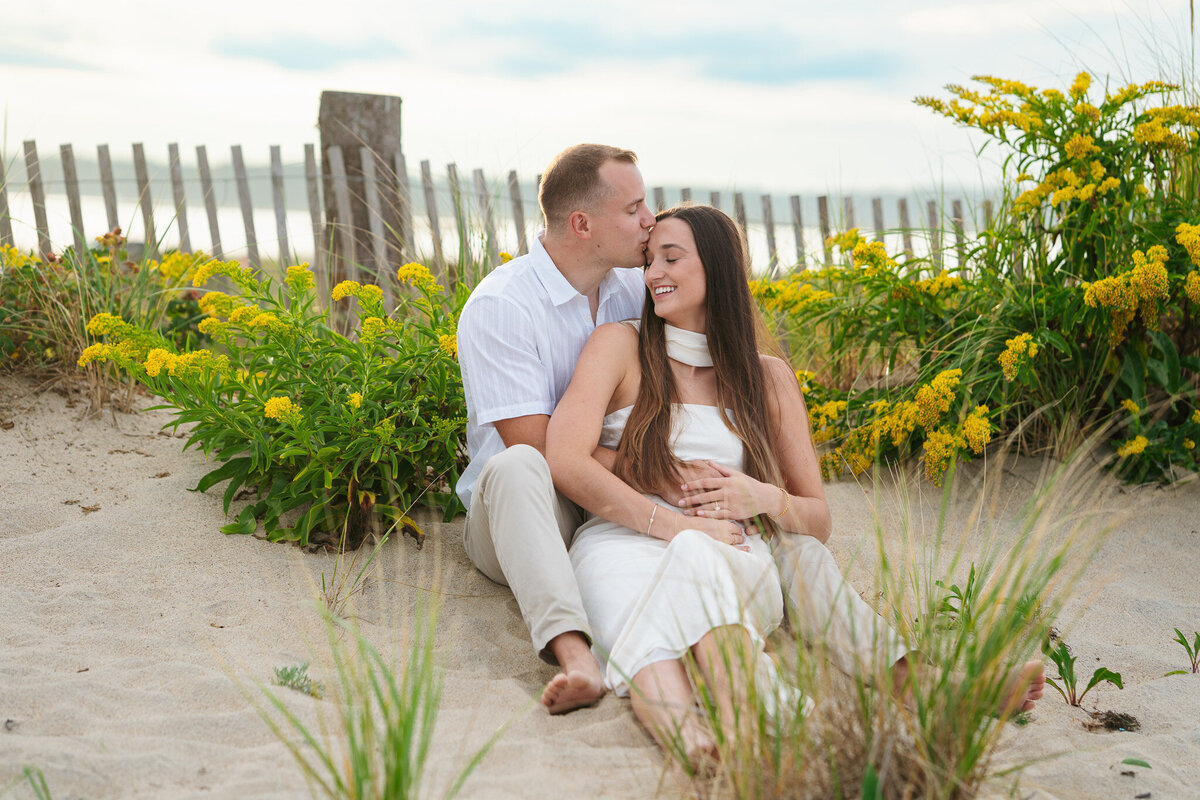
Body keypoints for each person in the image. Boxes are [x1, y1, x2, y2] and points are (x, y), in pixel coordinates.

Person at [544, 205, 1046, 762]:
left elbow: (817, 518)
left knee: (801, 555)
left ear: (718, 268)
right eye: (649, 260)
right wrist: (659, 492)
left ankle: (932, 689)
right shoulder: (620, 345)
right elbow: (565, 458)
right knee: (688, 553)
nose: (653, 273)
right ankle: (716, 736)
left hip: (736, 551)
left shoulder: (766, 377)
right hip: (627, 541)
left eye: (671, 257)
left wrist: (762, 497)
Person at [456, 143, 667, 713]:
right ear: (582, 223)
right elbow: (543, 449)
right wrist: (660, 477)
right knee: (516, 463)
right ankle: (576, 657)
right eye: (634, 209)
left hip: (619, 496)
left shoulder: (637, 289)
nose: (650, 221)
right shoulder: (502, 305)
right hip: (526, 516)